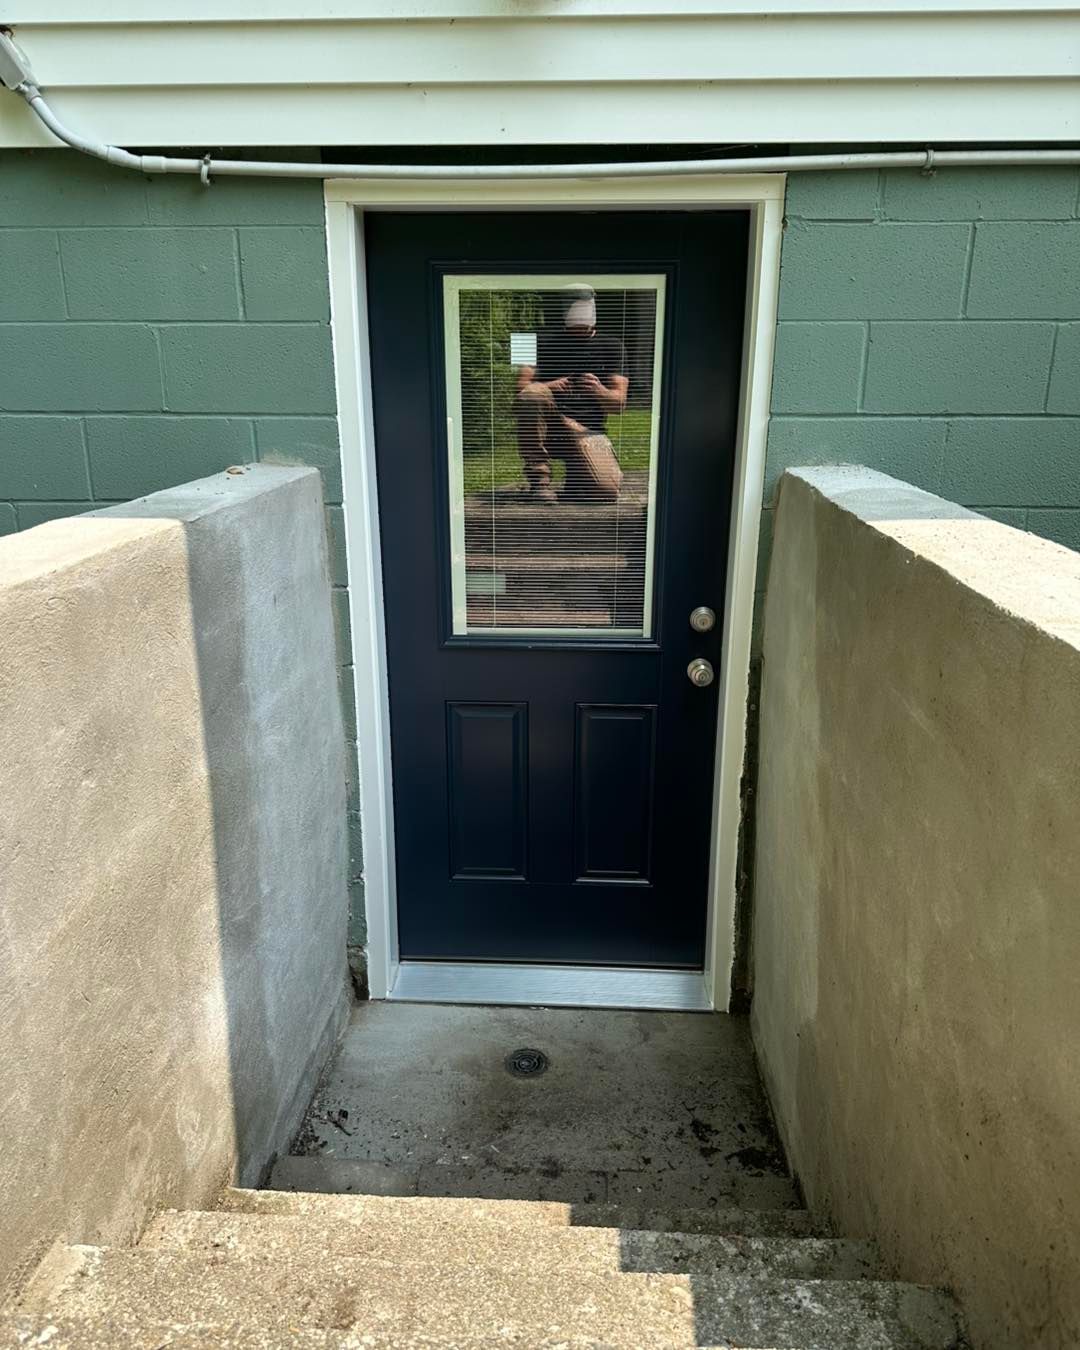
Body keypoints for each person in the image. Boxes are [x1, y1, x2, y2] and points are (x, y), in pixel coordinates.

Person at [514, 286, 628, 504]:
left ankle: (577, 480)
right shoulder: (530, 339)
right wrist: (552, 386)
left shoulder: (613, 345)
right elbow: (520, 392)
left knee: (607, 491)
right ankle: (540, 482)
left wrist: (599, 390)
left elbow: (620, 404)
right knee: (532, 394)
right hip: (549, 425)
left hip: (587, 430)